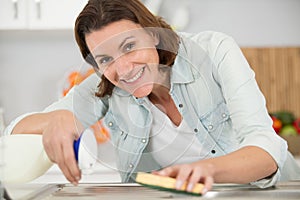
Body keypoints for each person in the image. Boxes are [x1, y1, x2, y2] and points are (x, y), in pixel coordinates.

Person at [4, 0, 300, 195]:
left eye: (129, 46)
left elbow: (266, 148)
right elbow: (14, 130)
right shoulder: (107, 84)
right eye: (105, 59)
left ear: (154, 35)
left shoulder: (214, 51)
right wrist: (55, 118)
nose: (123, 69)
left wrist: (207, 170)